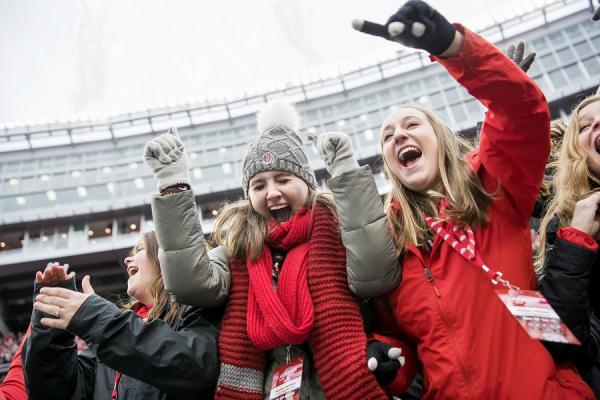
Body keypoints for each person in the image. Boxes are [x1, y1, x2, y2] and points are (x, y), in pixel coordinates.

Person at [314, 1, 593, 398]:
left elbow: (522, 112)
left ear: (441, 139)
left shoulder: (492, 187)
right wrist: (390, 360)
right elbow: (406, 345)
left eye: (412, 124)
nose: (398, 136)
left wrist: (453, 46)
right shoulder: (389, 244)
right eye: (388, 137)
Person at [143, 102, 410, 399]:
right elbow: (190, 285)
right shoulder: (236, 249)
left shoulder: (339, 232)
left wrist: (346, 174)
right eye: (259, 185)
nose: (272, 193)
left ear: (307, 184)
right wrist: (173, 187)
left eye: (283, 180)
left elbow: (376, 274)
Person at [21, 231, 220, 400]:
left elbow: (197, 369)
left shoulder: (197, 307)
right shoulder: (107, 338)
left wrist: (95, 318)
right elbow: (54, 393)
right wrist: (52, 324)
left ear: (166, 257)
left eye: (140, 250)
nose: (126, 260)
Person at [537, 94, 600, 396]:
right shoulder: (566, 226)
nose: (596, 124)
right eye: (585, 126)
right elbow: (558, 339)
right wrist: (577, 241)